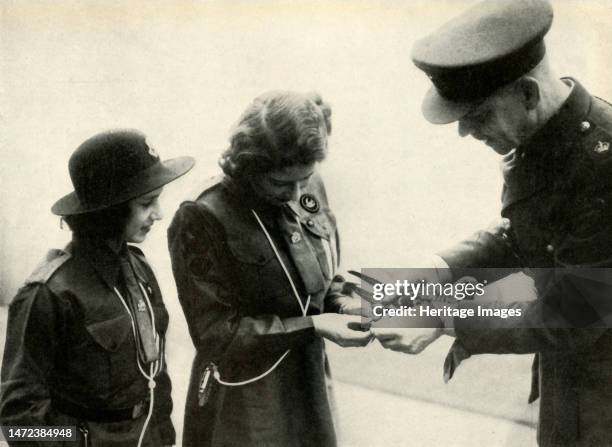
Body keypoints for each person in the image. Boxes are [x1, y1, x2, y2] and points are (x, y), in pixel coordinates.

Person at [368, 0, 612, 446]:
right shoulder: (547, 134)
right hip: (575, 386)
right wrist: (437, 275)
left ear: (528, 93)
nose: (465, 133)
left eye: (478, 116)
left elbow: (578, 302)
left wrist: (446, 317)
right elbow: (527, 244)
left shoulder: (604, 159)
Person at [168, 91, 371, 447]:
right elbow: (217, 334)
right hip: (244, 398)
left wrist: (342, 303)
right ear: (247, 166)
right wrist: (313, 326)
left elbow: (319, 279)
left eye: (304, 180)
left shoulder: (308, 183)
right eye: (280, 184)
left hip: (308, 384)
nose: (295, 195)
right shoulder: (203, 215)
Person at [0, 130, 194, 446]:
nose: (158, 214)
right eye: (147, 203)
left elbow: (154, 376)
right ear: (111, 209)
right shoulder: (49, 294)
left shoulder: (139, 268)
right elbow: (19, 423)